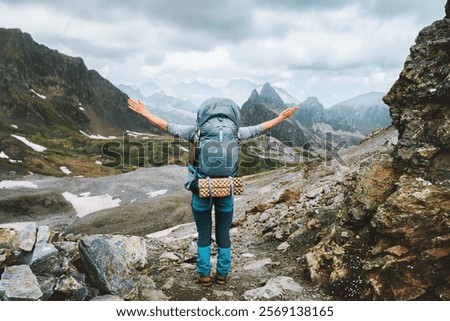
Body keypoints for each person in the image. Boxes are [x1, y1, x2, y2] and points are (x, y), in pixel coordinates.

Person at [128, 97, 298, 286]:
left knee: (203, 232)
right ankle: (222, 274)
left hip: (201, 189)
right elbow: (260, 127)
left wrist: (144, 112)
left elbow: (167, 126)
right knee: (223, 232)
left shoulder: (196, 132)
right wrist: (280, 118)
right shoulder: (236, 132)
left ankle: (204, 275)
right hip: (226, 190)